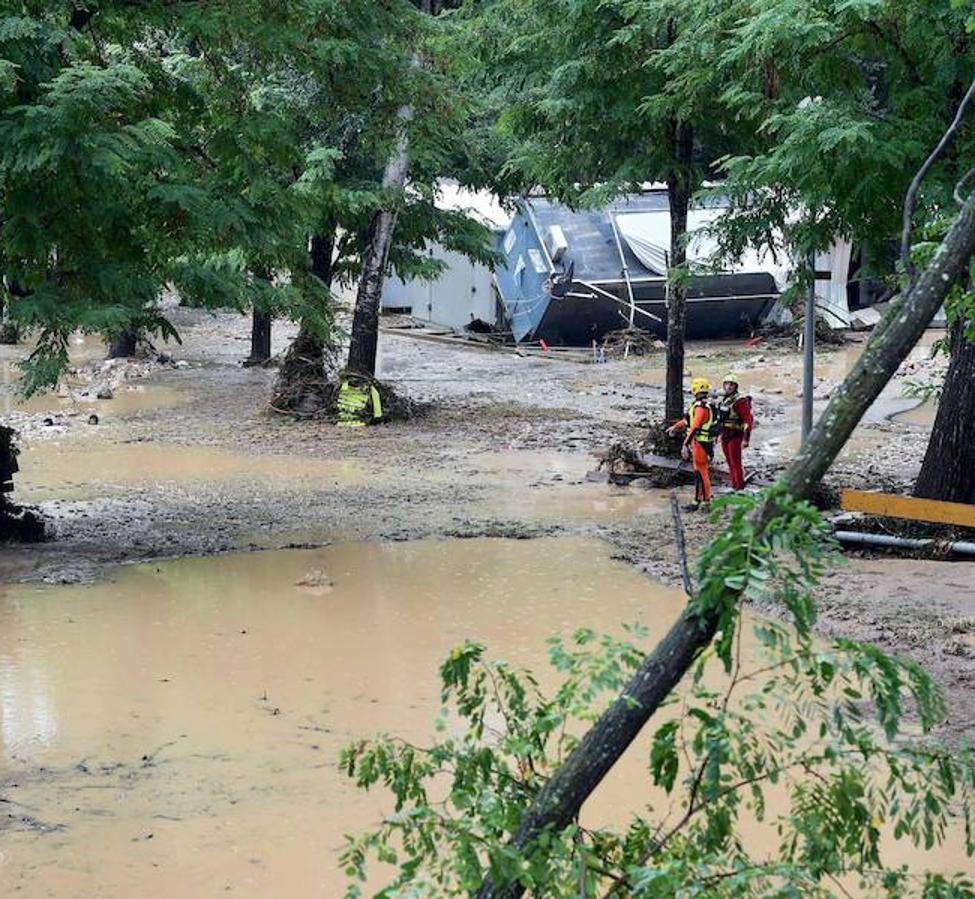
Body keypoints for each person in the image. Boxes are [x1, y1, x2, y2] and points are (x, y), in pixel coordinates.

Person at [666, 377, 715, 511]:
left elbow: (695, 427)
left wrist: (685, 445)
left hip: (700, 443)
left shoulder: (701, 408)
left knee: (701, 472)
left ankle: (704, 501)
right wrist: (675, 427)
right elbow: (688, 420)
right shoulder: (701, 406)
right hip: (701, 442)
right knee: (699, 471)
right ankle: (698, 499)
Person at [718, 374, 753, 490]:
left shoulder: (740, 401)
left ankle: (739, 487)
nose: (728, 387)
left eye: (731, 384)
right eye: (726, 384)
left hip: (736, 435)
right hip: (725, 434)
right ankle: (734, 485)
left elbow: (748, 420)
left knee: (735, 462)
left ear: (735, 386)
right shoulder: (724, 400)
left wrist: (746, 439)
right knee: (729, 462)